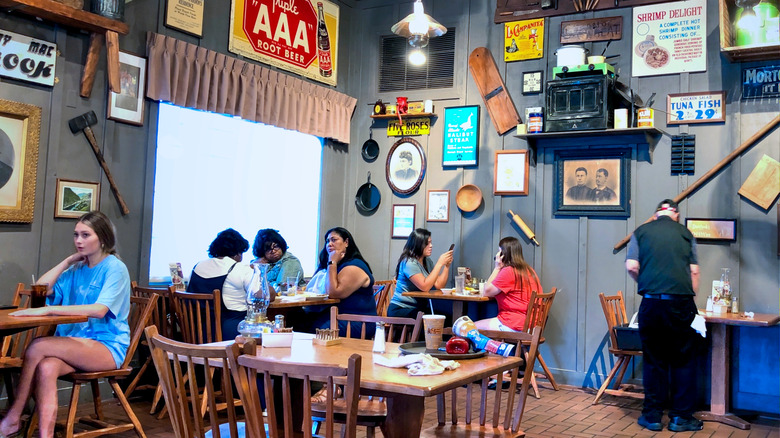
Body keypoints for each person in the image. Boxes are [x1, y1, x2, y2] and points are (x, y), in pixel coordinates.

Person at [0, 211, 130, 438]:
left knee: (38, 346)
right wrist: (67, 261)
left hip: (106, 346)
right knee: (47, 366)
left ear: (102, 238)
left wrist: (50, 309)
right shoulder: (76, 269)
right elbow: (40, 287)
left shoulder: (115, 268)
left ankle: (13, 417)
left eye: (85, 235)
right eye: (76, 235)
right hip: (74, 344)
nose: (78, 240)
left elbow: (99, 310)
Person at [625, 199, 703, 432]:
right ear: (676, 214)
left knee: (654, 360)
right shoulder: (686, 233)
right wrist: (690, 296)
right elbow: (694, 270)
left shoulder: (640, 232)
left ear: (657, 213)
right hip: (681, 303)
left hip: (651, 303)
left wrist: (647, 285)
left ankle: (653, 416)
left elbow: (631, 266)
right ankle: (681, 417)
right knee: (684, 360)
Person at [188, 228, 270, 340]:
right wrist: (259, 272)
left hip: (197, 332)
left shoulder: (197, 266)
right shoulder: (240, 269)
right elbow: (264, 295)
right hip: (230, 334)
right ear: (238, 253)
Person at [306, 227, 376, 336]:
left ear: (346, 242)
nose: (329, 244)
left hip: (357, 320)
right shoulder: (338, 264)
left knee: (317, 329)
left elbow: (333, 293)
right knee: (298, 320)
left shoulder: (354, 266)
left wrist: (332, 262)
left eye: (334, 240)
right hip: (336, 315)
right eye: (327, 241)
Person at [474, 237, 542, 332]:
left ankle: (498, 347)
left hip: (515, 324)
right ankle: (497, 346)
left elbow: (487, 292)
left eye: (499, 251)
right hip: (533, 326)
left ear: (503, 254)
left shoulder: (509, 271)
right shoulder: (530, 270)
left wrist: (497, 268)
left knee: (467, 328)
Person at [387, 228, 453, 319]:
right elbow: (425, 286)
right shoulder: (409, 262)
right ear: (418, 244)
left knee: (447, 317)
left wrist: (446, 266)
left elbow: (439, 285)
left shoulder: (427, 261)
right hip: (401, 308)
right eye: (427, 243)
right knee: (432, 321)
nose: (431, 246)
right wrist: (439, 263)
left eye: (431, 242)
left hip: (418, 308)